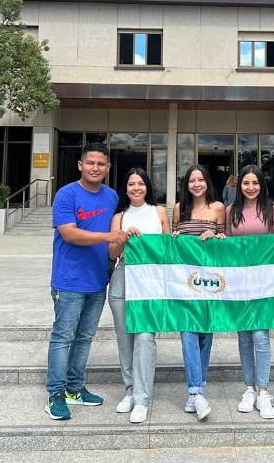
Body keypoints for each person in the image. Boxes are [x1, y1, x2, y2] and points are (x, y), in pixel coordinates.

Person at [45, 142, 128, 421]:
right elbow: (69, 234)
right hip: (68, 281)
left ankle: (75, 388)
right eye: (90, 163)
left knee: (84, 337)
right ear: (80, 165)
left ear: (108, 168)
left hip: (97, 281)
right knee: (63, 337)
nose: (95, 168)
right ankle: (55, 394)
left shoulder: (112, 196)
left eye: (101, 164)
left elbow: (115, 233)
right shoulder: (66, 194)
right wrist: (109, 238)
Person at [225, 164, 274, 420]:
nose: (251, 187)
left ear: (262, 184)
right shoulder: (232, 211)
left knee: (260, 336)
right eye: (246, 183)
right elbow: (228, 244)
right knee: (243, 336)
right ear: (238, 185)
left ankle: (263, 390)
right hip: (239, 281)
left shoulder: (272, 209)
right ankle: (248, 388)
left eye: (255, 183)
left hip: (264, 281)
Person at [107, 168, 171, 424]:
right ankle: (130, 390)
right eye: (131, 184)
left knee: (145, 338)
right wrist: (123, 237)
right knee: (126, 340)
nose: (136, 188)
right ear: (125, 188)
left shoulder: (160, 212)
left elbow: (169, 249)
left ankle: (143, 399)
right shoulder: (119, 216)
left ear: (147, 187)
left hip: (151, 281)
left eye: (140, 183)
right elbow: (112, 254)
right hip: (123, 279)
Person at [172, 164, 226, 421]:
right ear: (187, 184)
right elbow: (171, 245)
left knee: (206, 334)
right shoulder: (178, 209)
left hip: (209, 282)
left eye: (200, 179)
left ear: (207, 183)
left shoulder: (218, 208)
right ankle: (195, 390)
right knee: (188, 333)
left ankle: (197, 393)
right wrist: (173, 236)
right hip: (184, 284)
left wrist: (215, 235)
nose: (196, 184)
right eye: (192, 180)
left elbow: (225, 241)